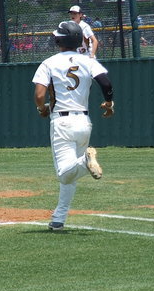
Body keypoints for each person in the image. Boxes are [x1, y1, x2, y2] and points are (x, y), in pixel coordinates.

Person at [32, 21, 114, 231]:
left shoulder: (49, 62)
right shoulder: (88, 60)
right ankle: (59, 219)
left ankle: (86, 162)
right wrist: (109, 103)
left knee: (64, 173)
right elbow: (106, 83)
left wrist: (41, 108)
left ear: (59, 40)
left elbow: (40, 95)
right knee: (70, 175)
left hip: (61, 121)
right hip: (83, 121)